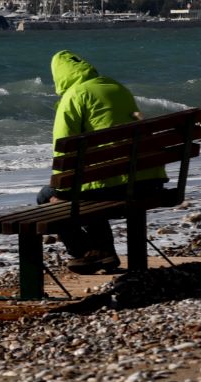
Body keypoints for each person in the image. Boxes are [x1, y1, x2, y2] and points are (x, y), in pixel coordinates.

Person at [39, 50, 165, 274]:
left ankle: (87, 252)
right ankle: (102, 251)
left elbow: (63, 151)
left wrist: (61, 188)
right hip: (148, 181)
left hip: (115, 188)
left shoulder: (74, 96)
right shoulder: (116, 87)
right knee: (90, 185)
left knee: (49, 195)